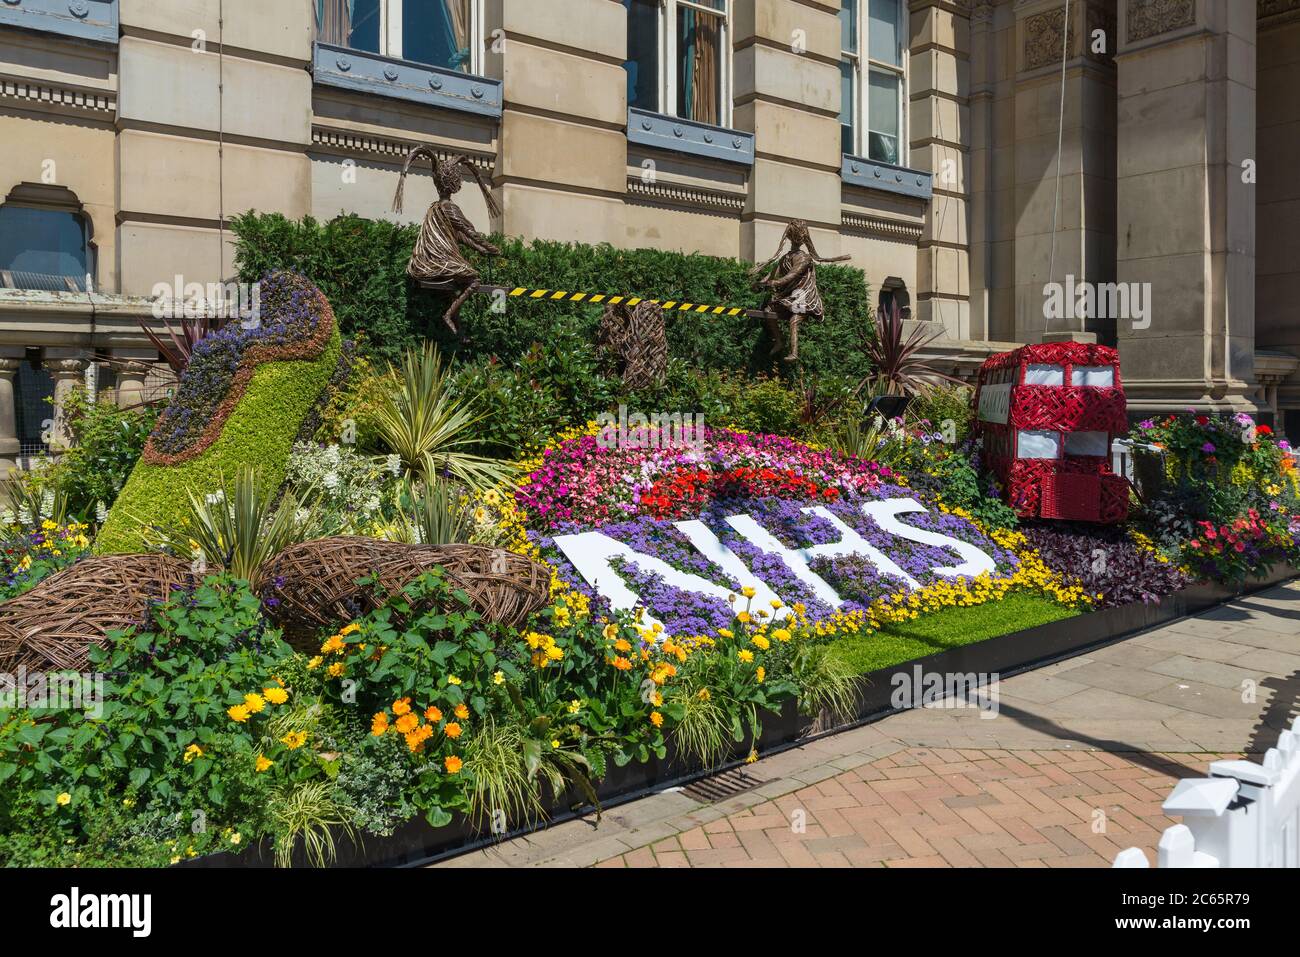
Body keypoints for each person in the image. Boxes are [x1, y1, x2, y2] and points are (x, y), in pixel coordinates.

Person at [392, 148, 501, 335]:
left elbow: (460, 236)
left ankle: (460, 330)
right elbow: (469, 232)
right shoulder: (450, 208)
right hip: (440, 263)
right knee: (473, 280)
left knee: (455, 287)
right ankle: (449, 315)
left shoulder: (434, 209)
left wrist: (481, 250)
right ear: (453, 182)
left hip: (429, 264)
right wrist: (492, 247)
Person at [750, 219, 850, 363]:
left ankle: (794, 353)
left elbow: (791, 276)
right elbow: (772, 275)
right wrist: (760, 283)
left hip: (803, 298)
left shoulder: (804, 258)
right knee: (768, 310)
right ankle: (779, 341)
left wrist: (775, 282)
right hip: (789, 297)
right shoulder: (786, 258)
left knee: (794, 320)